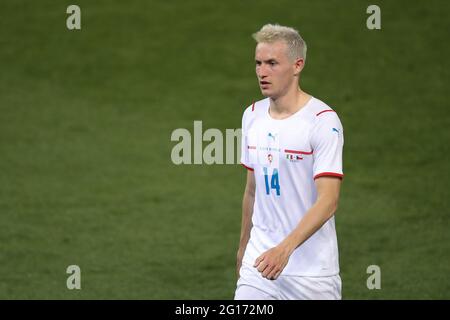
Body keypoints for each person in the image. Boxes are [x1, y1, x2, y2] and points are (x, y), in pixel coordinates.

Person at [235, 24, 345, 300]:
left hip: (313, 275)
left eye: (272, 63)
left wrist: (285, 249)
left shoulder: (322, 121)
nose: (262, 72)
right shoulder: (251, 115)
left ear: (297, 65)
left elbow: (328, 200)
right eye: (258, 63)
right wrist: (242, 249)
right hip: (258, 266)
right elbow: (251, 191)